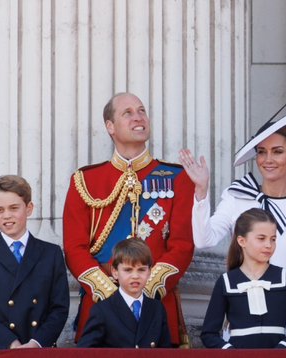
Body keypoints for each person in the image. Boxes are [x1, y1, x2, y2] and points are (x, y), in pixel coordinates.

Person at [63, 93, 195, 347]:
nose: (139, 117)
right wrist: (113, 294)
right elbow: (74, 248)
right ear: (109, 126)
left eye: (142, 111)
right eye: (128, 113)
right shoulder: (84, 181)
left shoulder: (177, 177)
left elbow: (182, 246)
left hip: (155, 308)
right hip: (101, 307)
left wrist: (144, 290)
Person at [179, 106, 286, 334]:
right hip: (239, 322)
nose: (268, 159)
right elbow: (203, 240)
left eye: (277, 151)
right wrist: (201, 191)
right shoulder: (236, 196)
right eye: (261, 151)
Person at [0, 175, 70, 349]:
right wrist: (9, 342)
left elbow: (59, 308)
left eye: (14, 208)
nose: (7, 216)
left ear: (29, 208)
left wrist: (36, 344)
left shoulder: (51, 253)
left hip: (38, 349)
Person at [201, 208, 286, 348]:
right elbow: (209, 334)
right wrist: (231, 352)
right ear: (242, 241)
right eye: (261, 238)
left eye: (273, 239)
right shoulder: (226, 282)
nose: (269, 245)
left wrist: (281, 350)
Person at [77, 238, 171, 348]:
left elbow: (165, 351)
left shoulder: (157, 308)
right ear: (115, 272)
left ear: (149, 272)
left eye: (141, 270)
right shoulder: (102, 311)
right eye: (128, 270)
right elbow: (84, 352)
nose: (135, 276)